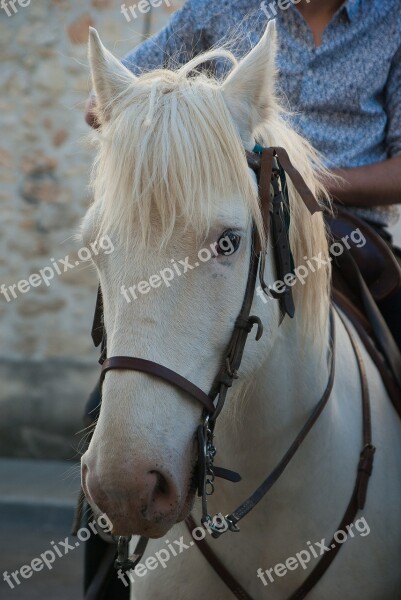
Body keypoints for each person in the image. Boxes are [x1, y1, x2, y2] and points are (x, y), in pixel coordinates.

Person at [86, 0, 401, 347]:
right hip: (219, 216)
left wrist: (300, 181)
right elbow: (103, 105)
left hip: (346, 224)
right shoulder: (219, 6)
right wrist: (195, 139)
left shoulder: (393, 19)